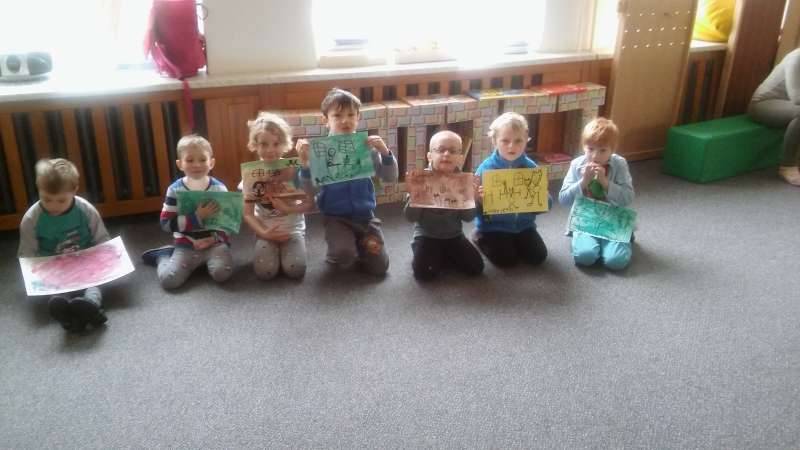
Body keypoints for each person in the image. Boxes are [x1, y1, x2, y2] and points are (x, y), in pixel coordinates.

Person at [296, 88, 398, 275]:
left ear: (358, 117)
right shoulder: (320, 151)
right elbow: (311, 191)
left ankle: (360, 242)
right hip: (336, 218)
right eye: (337, 115)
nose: (345, 120)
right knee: (344, 256)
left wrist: (385, 153)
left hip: (366, 217)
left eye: (351, 115)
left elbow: (389, 177)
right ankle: (341, 246)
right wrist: (305, 165)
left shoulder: (366, 148)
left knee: (379, 268)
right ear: (325, 120)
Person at [18, 158, 110, 332]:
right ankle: (66, 313)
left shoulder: (86, 210)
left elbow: (102, 239)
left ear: (74, 190)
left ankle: (91, 305)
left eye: (61, 200)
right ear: (38, 189)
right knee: (57, 293)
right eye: (46, 199)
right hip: (53, 268)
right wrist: (38, 275)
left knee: (94, 286)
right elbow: (27, 254)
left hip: (85, 263)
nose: (53, 206)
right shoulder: (31, 219)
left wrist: (105, 264)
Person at [142, 134, 233, 289]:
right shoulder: (174, 190)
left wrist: (216, 238)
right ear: (180, 164)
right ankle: (163, 256)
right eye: (190, 160)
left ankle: (203, 262)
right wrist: (197, 217)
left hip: (214, 243)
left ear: (211, 163)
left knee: (222, 273)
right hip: (186, 245)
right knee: (169, 281)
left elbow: (228, 222)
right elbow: (166, 223)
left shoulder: (219, 188)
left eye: (202, 160)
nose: (197, 165)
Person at [403, 130, 484, 280]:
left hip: (454, 235)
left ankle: (442, 256)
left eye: (453, 151)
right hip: (427, 235)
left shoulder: (463, 182)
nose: (446, 154)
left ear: (460, 158)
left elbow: (467, 218)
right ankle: (433, 254)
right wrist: (415, 197)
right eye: (441, 150)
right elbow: (410, 217)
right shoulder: (420, 180)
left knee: (476, 268)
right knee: (424, 274)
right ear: (429, 156)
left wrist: (473, 200)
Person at [473, 112, 550, 267]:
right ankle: (479, 237)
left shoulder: (532, 168)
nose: (511, 146)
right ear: (494, 141)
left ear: (526, 140)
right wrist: (479, 200)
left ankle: (514, 242)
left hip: (524, 226)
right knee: (506, 261)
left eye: (518, 141)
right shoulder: (485, 169)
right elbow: (472, 208)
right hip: (493, 227)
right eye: (505, 141)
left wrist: (544, 196)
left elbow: (544, 206)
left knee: (538, 257)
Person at [242, 112, 313, 280]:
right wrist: (264, 233)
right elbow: (248, 213)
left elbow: (310, 204)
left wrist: (288, 208)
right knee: (265, 272)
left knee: (295, 270)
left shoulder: (294, 170)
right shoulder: (251, 174)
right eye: (264, 144)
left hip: (292, 229)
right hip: (265, 229)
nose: (270, 150)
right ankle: (269, 246)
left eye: (276, 143)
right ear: (255, 145)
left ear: (285, 144)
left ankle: (288, 249)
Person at [558, 117, 635, 270]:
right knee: (585, 257)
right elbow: (563, 199)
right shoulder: (576, 164)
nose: (595, 156)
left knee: (616, 261)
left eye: (603, 150)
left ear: (612, 150)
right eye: (590, 149)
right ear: (583, 147)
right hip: (586, 218)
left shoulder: (619, 164)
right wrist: (583, 181)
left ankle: (619, 240)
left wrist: (605, 183)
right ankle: (592, 243)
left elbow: (628, 198)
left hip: (613, 218)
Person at [748, 47, 800, 186]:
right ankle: (787, 166)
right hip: (764, 105)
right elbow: (796, 97)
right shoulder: (796, 58)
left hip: (789, 105)